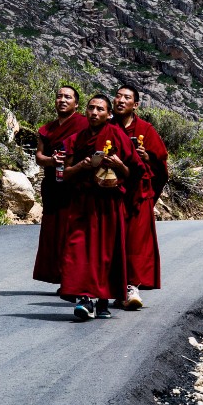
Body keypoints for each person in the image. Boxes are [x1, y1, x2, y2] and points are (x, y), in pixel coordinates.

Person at [58, 95, 142, 320]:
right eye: (91, 108)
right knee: (77, 249)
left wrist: (118, 164)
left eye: (100, 109)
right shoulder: (76, 139)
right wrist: (81, 166)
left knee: (107, 252)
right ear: (85, 111)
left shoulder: (119, 137)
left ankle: (103, 301)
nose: (94, 113)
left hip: (109, 203)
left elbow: (135, 171)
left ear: (108, 115)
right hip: (83, 201)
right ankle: (85, 299)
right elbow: (64, 174)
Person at [113, 85, 168, 310]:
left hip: (139, 193)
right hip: (111, 191)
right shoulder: (106, 127)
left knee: (136, 241)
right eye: (117, 96)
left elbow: (161, 165)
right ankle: (111, 286)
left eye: (127, 97)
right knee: (111, 241)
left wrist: (148, 157)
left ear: (135, 105)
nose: (120, 100)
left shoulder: (146, 129)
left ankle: (131, 286)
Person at [32, 85, 88, 289]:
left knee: (73, 231)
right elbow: (39, 156)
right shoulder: (47, 129)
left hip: (77, 185)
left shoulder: (84, 124)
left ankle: (76, 278)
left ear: (76, 103)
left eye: (68, 97)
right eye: (59, 96)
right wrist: (52, 161)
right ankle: (61, 277)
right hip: (53, 185)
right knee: (54, 232)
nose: (62, 100)